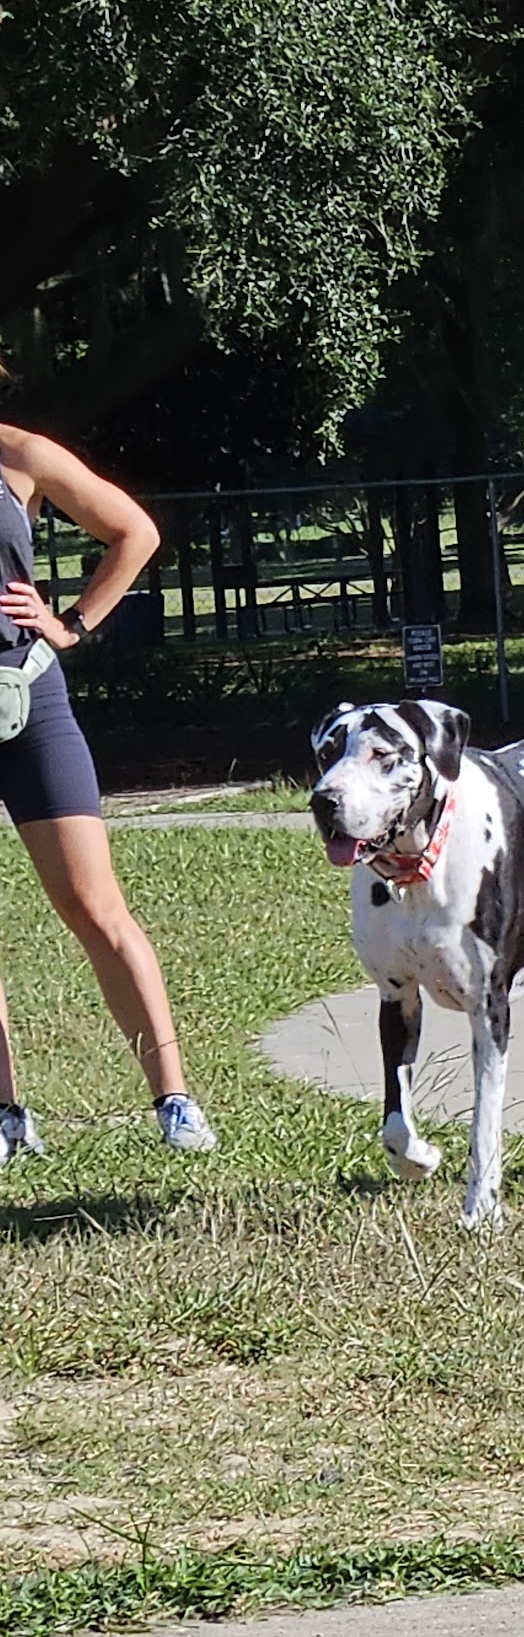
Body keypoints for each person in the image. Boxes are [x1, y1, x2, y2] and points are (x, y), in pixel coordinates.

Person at [0, 411, 215, 1163]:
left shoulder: (18, 453)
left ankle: (175, 1100)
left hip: (28, 699)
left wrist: (72, 623)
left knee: (94, 905)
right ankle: (7, 1117)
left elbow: (135, 533)